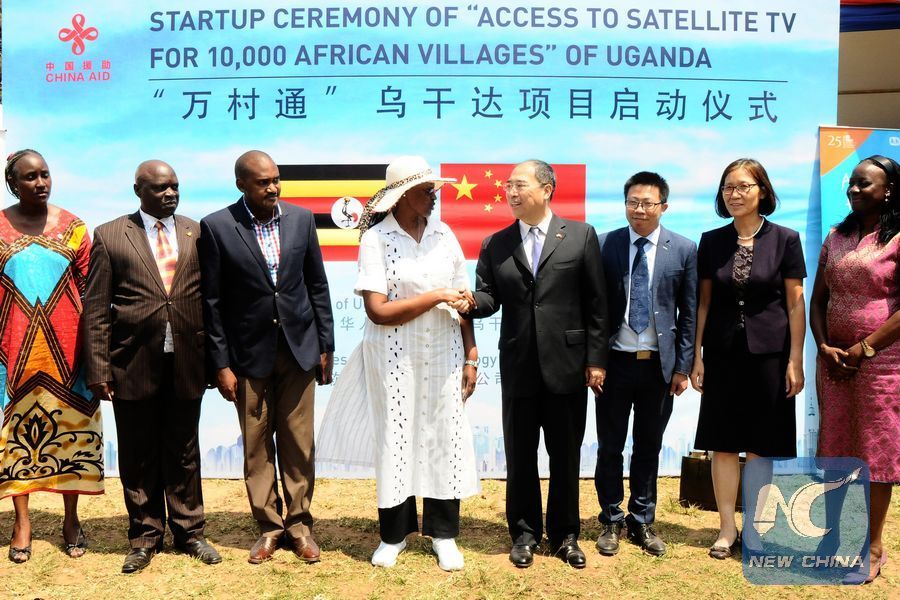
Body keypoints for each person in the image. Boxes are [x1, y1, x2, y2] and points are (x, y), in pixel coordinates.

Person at [319, 156, 480, 571]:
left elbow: (463, 300)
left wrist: (471, 354)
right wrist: (437, 296)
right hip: (394, 356)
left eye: (435, 189)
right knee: (397, 437)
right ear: (404, 195)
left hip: (444, 353)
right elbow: (378, 311)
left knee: (444, 437)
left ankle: (444, 535)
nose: (435, 196)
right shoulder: (376, 240)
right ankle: (394, 536)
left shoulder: (445, 235)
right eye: (427, 190)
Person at [464, 160, 608, 569]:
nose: (511, 192)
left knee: (565, 455)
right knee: (520, 455)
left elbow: (597, 303)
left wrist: (596, 359)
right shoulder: (496, 243)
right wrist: (470, 301)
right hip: (519, 365)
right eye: (508, 186)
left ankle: (565, 536)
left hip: (568, 365)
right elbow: (489, 298)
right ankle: (524, 535)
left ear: (547, 189)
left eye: (520, 185)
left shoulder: (580, 235)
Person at [83, 160, 221, 573]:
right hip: (131, 360)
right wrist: (99, 368)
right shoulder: (111, 234)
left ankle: (190, 532)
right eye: (160, 187)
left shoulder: (197, 232)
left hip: (188, 359)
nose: (170, 193)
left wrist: (217, 361)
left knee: (184, 450)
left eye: (175, 186)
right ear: (138, 190)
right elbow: (97, 308)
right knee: (138, 452)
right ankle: (144, 536)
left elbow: (211, 300)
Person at [199, 150, 335, 565]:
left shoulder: (301, 219)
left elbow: (317, 284)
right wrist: (221, 364)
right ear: (241, 184)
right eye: (263, 182)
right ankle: (270, 527)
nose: (273, 187)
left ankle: (300, 525)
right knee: (256, 446)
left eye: (276, 179)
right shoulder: (217, 226)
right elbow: (212, 302)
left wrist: (325, 345)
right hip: (247, 356)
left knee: (299, 442)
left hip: (299, 349)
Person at [690, 158, 806, 560]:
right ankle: (727, 528)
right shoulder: (711, 241)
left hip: (771, 356)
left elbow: (795, 303)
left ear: (762, 191)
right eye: (728, 187)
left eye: (743, 186)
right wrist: (697, 355)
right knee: (722, 443)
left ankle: (757, 528)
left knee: (761, 444)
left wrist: (795, 358)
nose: (734, 194)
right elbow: (703, 303)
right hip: (722, 355)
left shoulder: (786, 239)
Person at [0, 149, 103, 563]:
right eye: (30, 177)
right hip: (13, 352)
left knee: (71, 431)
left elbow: (91, 290)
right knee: (15, 436)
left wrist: (96, 351)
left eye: (45, 174)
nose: (41, 183)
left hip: (70, 353)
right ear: (12, 184)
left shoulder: (74, 228)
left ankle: (71, 518)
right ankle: (22, 522)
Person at [595, 172, 697, 557]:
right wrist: (594, 360)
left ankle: (641, 520)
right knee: (609, 446)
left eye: (647, 203)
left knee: (648, 446)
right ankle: (610, 519)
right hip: (614, 364)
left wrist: (682, 367)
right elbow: (593, 309)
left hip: (658, 367)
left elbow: (689, 313)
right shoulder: (604, 245)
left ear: (663, 207)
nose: (639, 210)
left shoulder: (683, 249)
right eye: (632, 202)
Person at [810, 155, 899, 583]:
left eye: (865, 184)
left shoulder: (897, 238)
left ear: (889, 191)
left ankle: (873, 546)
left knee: (875, 453)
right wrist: (824, 346)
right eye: (853, 183)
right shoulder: (836, 236)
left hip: (883, 364)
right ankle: (831, 540)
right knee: (836, 448)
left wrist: (864, 349)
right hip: (834, 363)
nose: (855, 189)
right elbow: (817, 300)